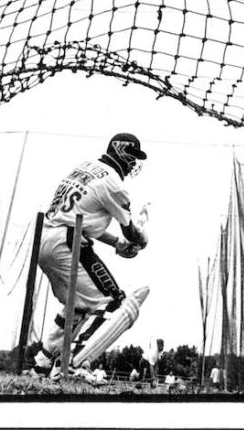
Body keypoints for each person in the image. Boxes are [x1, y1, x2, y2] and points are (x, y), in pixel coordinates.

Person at [32, 133, 150, 378]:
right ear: (119, 150)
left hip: (44, 239)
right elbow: (130, 230)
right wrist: (141, 240)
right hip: (67, 241)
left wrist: (116, 243)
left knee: (77, 305)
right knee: (113, 301)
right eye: (132, 156)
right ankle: (74, 362)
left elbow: (80, 220)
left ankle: (42, 364)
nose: (133, 164)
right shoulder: (114, 183)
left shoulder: (83, 167)